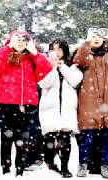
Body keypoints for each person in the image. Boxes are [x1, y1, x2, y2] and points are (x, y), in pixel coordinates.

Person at [0, 30, 52, 176]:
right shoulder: (5, 55)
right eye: (17, 40)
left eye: (24, 40)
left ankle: (20, 169)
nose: (20, 43)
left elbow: (45, 70)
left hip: (26, 104)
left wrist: (35, 54)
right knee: (6, 138)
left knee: (23, 138)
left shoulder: (32, 58)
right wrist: (8, 48)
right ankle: (5, 169)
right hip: (6, 104)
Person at [73, 27, 108, 179]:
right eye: (93, 36)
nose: (96, 38)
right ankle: (82, 165)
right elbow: (79, 60)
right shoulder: (86, 54)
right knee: (87, 136)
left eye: (99, 36)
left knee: (106, 137)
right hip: (88, 103)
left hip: (107, 103)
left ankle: (105, 166)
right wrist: (86, 44)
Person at [38, 39, 83, 178]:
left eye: (59, 49)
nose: (56, 52)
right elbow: (43, 84)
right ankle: (50, 162)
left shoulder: (72, 66)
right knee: (49, 139)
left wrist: (62, 67)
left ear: (64, 51)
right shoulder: (44, 65)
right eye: (53, 49)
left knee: (65, 138)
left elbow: (75, 81)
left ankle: (65, 167)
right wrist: (52, 68)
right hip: (49, 108)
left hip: (67, 108)